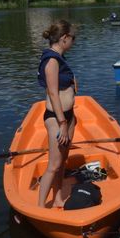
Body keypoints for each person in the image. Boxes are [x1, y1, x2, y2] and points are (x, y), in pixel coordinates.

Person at [36, 20, 77, 208]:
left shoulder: (60, 58)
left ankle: (58, 199)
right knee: (53, 165)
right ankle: (40, 207)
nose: (74, 42)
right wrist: (62, 123)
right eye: (72, 38)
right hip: (56, 119)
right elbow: (53, 93)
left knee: (62, 163)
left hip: (68, 117)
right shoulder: (51, 60)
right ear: (64, 38)